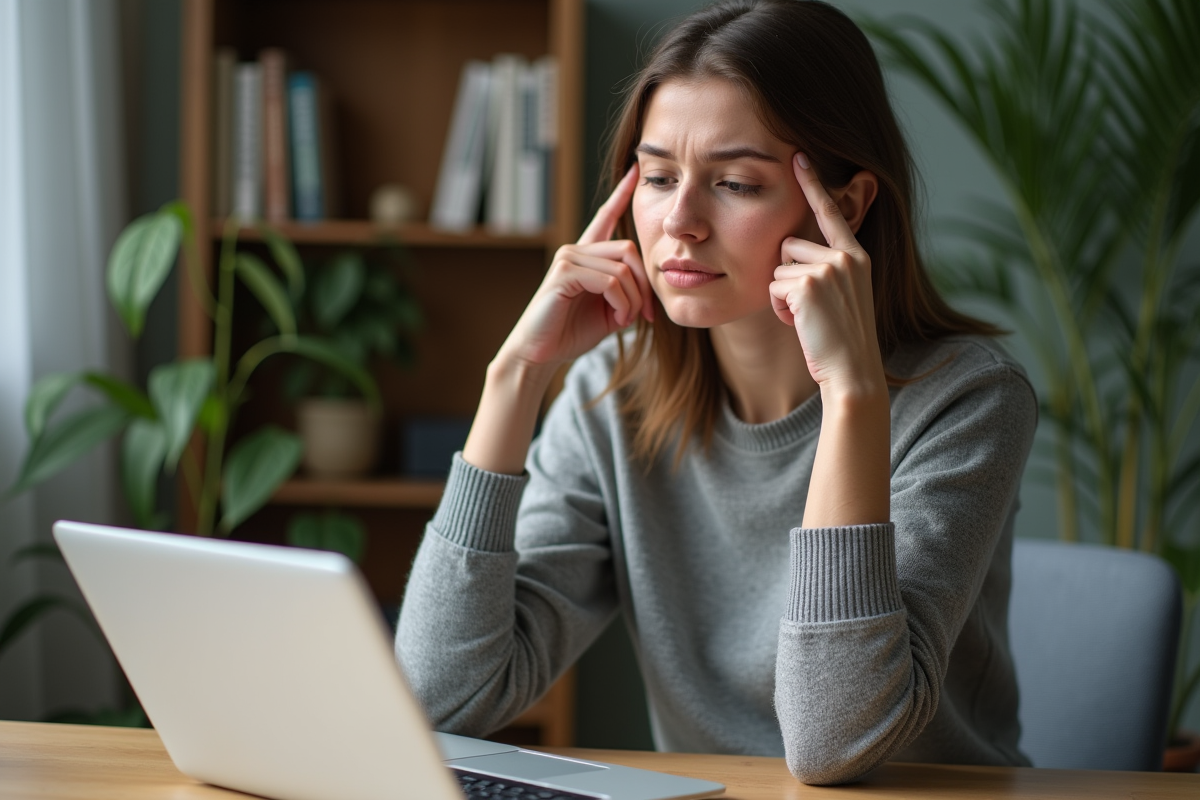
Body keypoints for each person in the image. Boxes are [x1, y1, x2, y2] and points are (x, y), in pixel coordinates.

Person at [397, 0, 1036, 785]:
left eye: (734, 182)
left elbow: (836, 742)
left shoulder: (967, 400)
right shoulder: (613, 392)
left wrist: (851, 397)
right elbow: (440, 696)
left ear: (848, 206)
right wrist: (515, 377)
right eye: (659, 176)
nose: (681, 222)